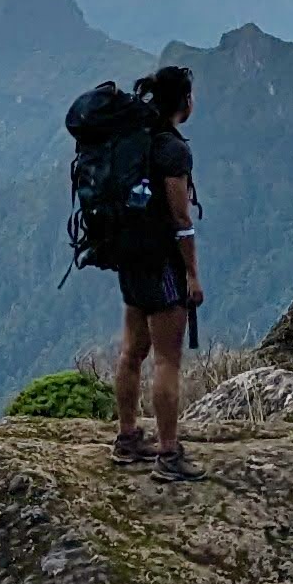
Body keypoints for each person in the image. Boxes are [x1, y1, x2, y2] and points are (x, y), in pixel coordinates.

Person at [110, 65, 201, 476]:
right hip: (162, 262)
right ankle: (168, 454)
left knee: (132, 352)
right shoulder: (172, 150)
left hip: (129, 256)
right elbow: (181, 218)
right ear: (183, 102)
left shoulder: (136, 138)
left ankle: (127, 439)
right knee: (167, 360)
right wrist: (193, 274)